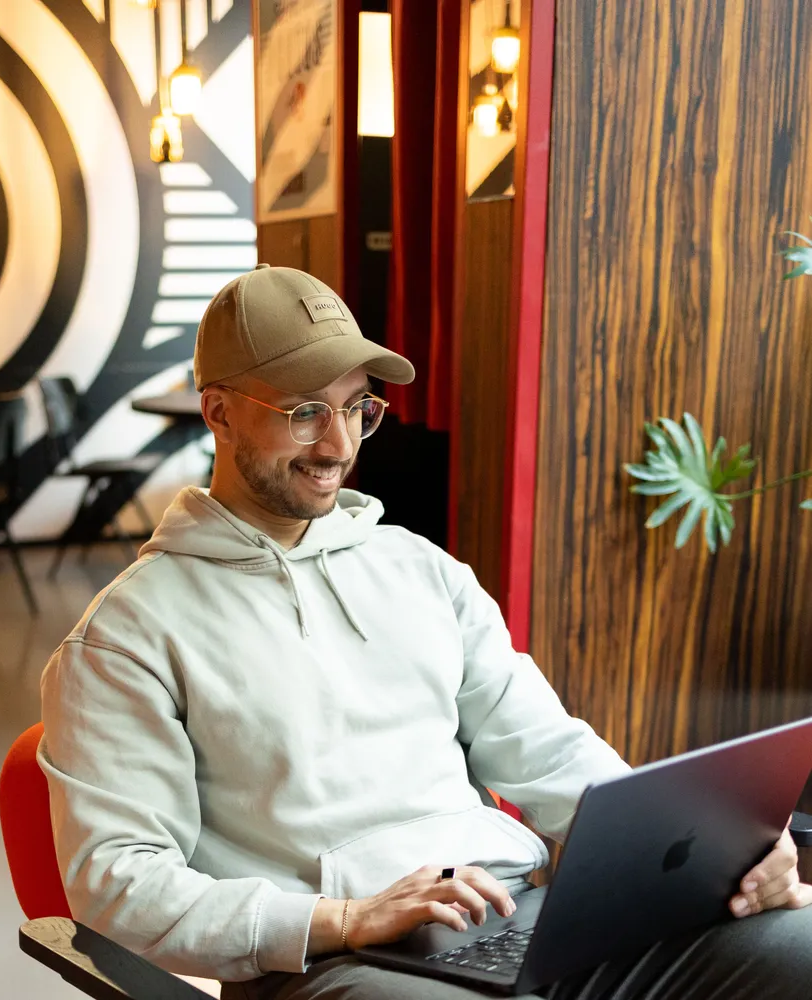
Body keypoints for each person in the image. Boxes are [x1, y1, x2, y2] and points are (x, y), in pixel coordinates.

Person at [39, 265, 812, 999]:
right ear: (219, 411)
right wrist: (342, 920)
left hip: (515, 914)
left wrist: (706, 856)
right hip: (339, 963)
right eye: (305, 411)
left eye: (355, 409)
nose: (338, 446)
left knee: (796, 948)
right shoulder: (125, 637)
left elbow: (548, 749)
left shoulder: (423, 571)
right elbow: (119, 880)